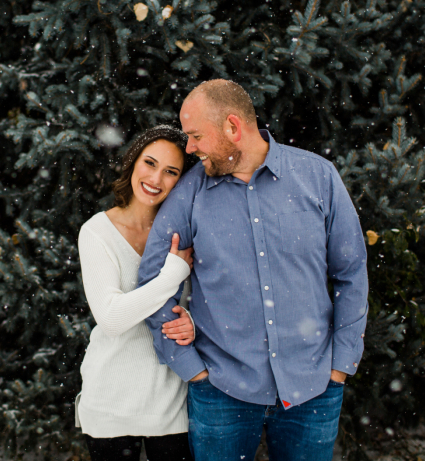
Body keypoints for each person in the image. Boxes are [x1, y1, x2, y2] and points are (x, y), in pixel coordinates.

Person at [137, 80, 369, 461]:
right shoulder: (190, 192)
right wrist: (191, 369)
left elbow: (351, 272)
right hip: (221, 392)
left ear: (232, 127)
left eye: (196, 136)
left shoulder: (318, 177)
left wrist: (340, 366)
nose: (189, 148)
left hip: (313, 389)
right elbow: (151, 278)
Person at [76, 125, 197, 461]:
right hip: (111, 402)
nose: (156, 179)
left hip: (172, 401)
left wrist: (192, 324)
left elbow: (211, 303)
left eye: (171, 171)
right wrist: (171, 275)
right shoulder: (97, 232)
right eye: (150, 163)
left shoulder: (186, 232)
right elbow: (112, 318)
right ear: (133, 162)